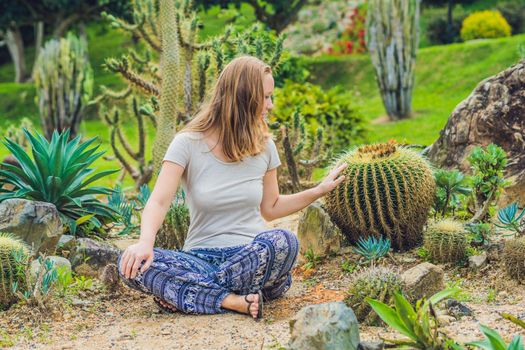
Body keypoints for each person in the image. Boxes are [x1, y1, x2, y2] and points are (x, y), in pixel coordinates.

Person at [117, 55, 347, 320]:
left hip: (251, 256)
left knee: (284, 242)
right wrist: (145, 243)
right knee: (131, 264)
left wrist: (319, 190)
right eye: (266, 97)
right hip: (200, 259)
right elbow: (158, 202)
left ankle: (190, 292)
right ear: (244, 97)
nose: (270, 105)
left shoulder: (265, 146)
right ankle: (232, 300)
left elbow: (271, 209)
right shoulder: (187, 143)